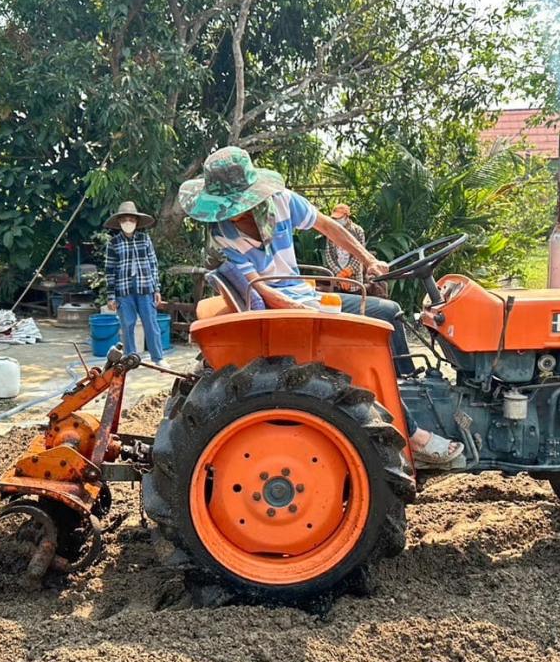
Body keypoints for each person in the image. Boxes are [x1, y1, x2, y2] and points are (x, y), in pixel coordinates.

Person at [179, 146, 463, 469]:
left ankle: (406, 390)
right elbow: (266, 293)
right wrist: (319, 316)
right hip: (286, 311)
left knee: (388, 311)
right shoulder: (222, 235)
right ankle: (411, 434)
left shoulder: (283, 201)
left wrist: (368, 260)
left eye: (237, 207)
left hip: (305, 296)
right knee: (365, 351)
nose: (232, 213)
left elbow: (329, 227)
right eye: (226, 208)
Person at [104, 201, 165, 363]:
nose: (128, 223)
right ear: (119, 222)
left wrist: (156, 289)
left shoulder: (145, 239)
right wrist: (111, 296)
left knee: (151, 324)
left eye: (131, 219)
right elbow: (109, 270)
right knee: (127, 325)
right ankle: (130, 359)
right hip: (123, 291)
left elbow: (153, 264)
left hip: (145, 288)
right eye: (124, 220)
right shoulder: (113, 243)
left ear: (137, 222)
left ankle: (158, 358)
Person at [323, 203, 366, 286]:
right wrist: (339, 274)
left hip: (354, 278)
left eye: (339, 218)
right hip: (337, 278)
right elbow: (329, 255)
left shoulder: (358, 231)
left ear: (346, 216)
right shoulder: (332, 231)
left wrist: (348, 272)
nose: (336, 220)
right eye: (335, 218)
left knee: (356, 297)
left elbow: (360, 254)